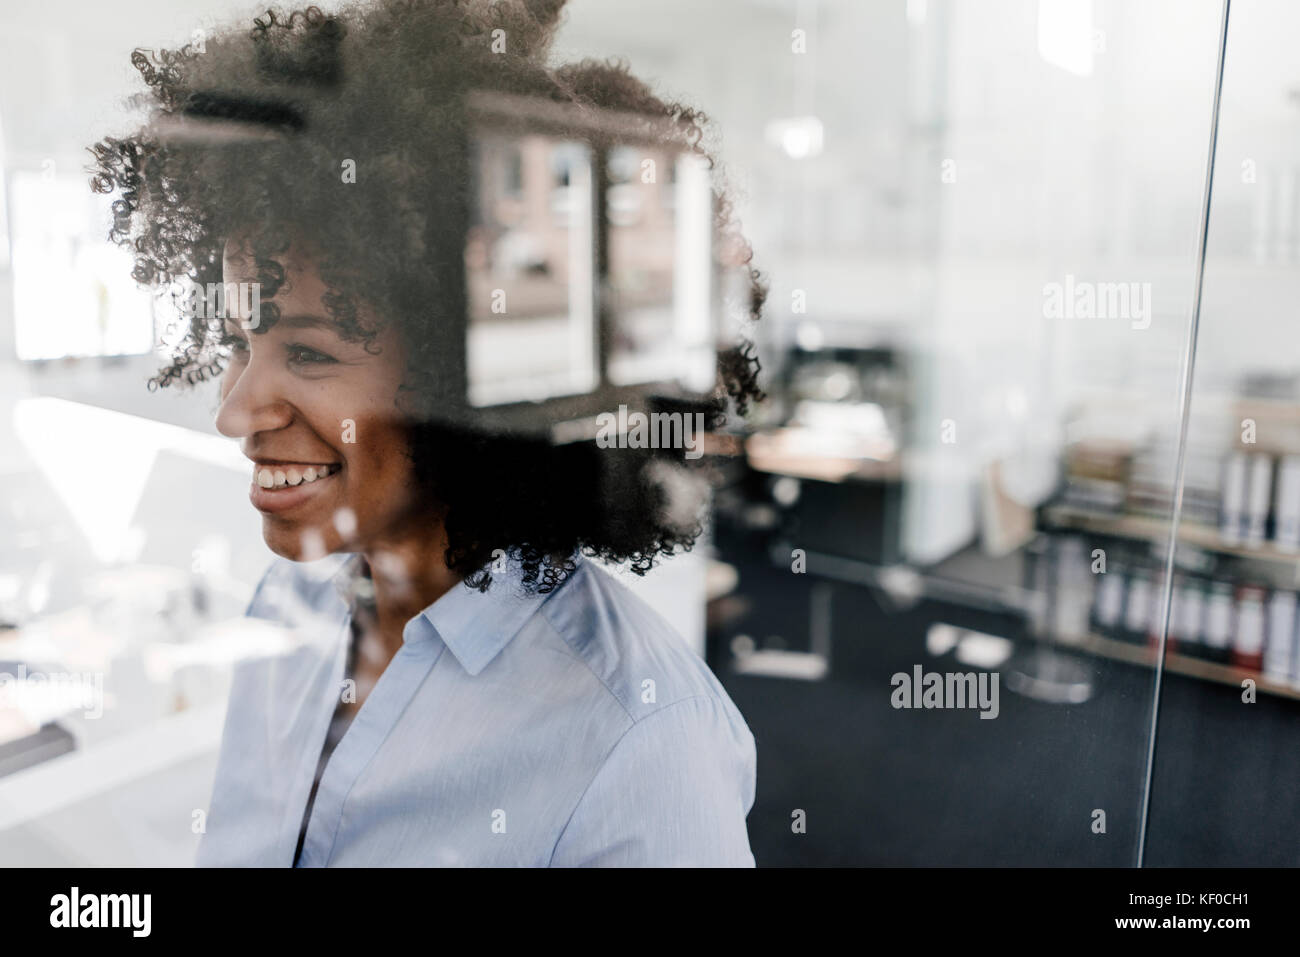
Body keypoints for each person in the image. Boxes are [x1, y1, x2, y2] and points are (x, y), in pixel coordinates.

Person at [87, 0, 767, 866]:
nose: (234, 410)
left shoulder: (641, 739)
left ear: (466, 383)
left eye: (308, 349)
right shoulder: (286, 610)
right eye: (236, 344)